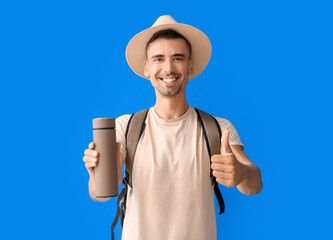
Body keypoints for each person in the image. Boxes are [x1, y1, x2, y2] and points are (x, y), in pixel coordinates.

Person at [83, 15, 263, 240]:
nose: (168, 68)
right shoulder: (126, 127)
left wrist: (241, 173)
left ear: (190, 65)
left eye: (177, 58)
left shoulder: (218, 128)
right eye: (158, 59)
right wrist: (97, 173)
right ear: (147, 68)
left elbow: (254, 185)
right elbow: (99, 194)